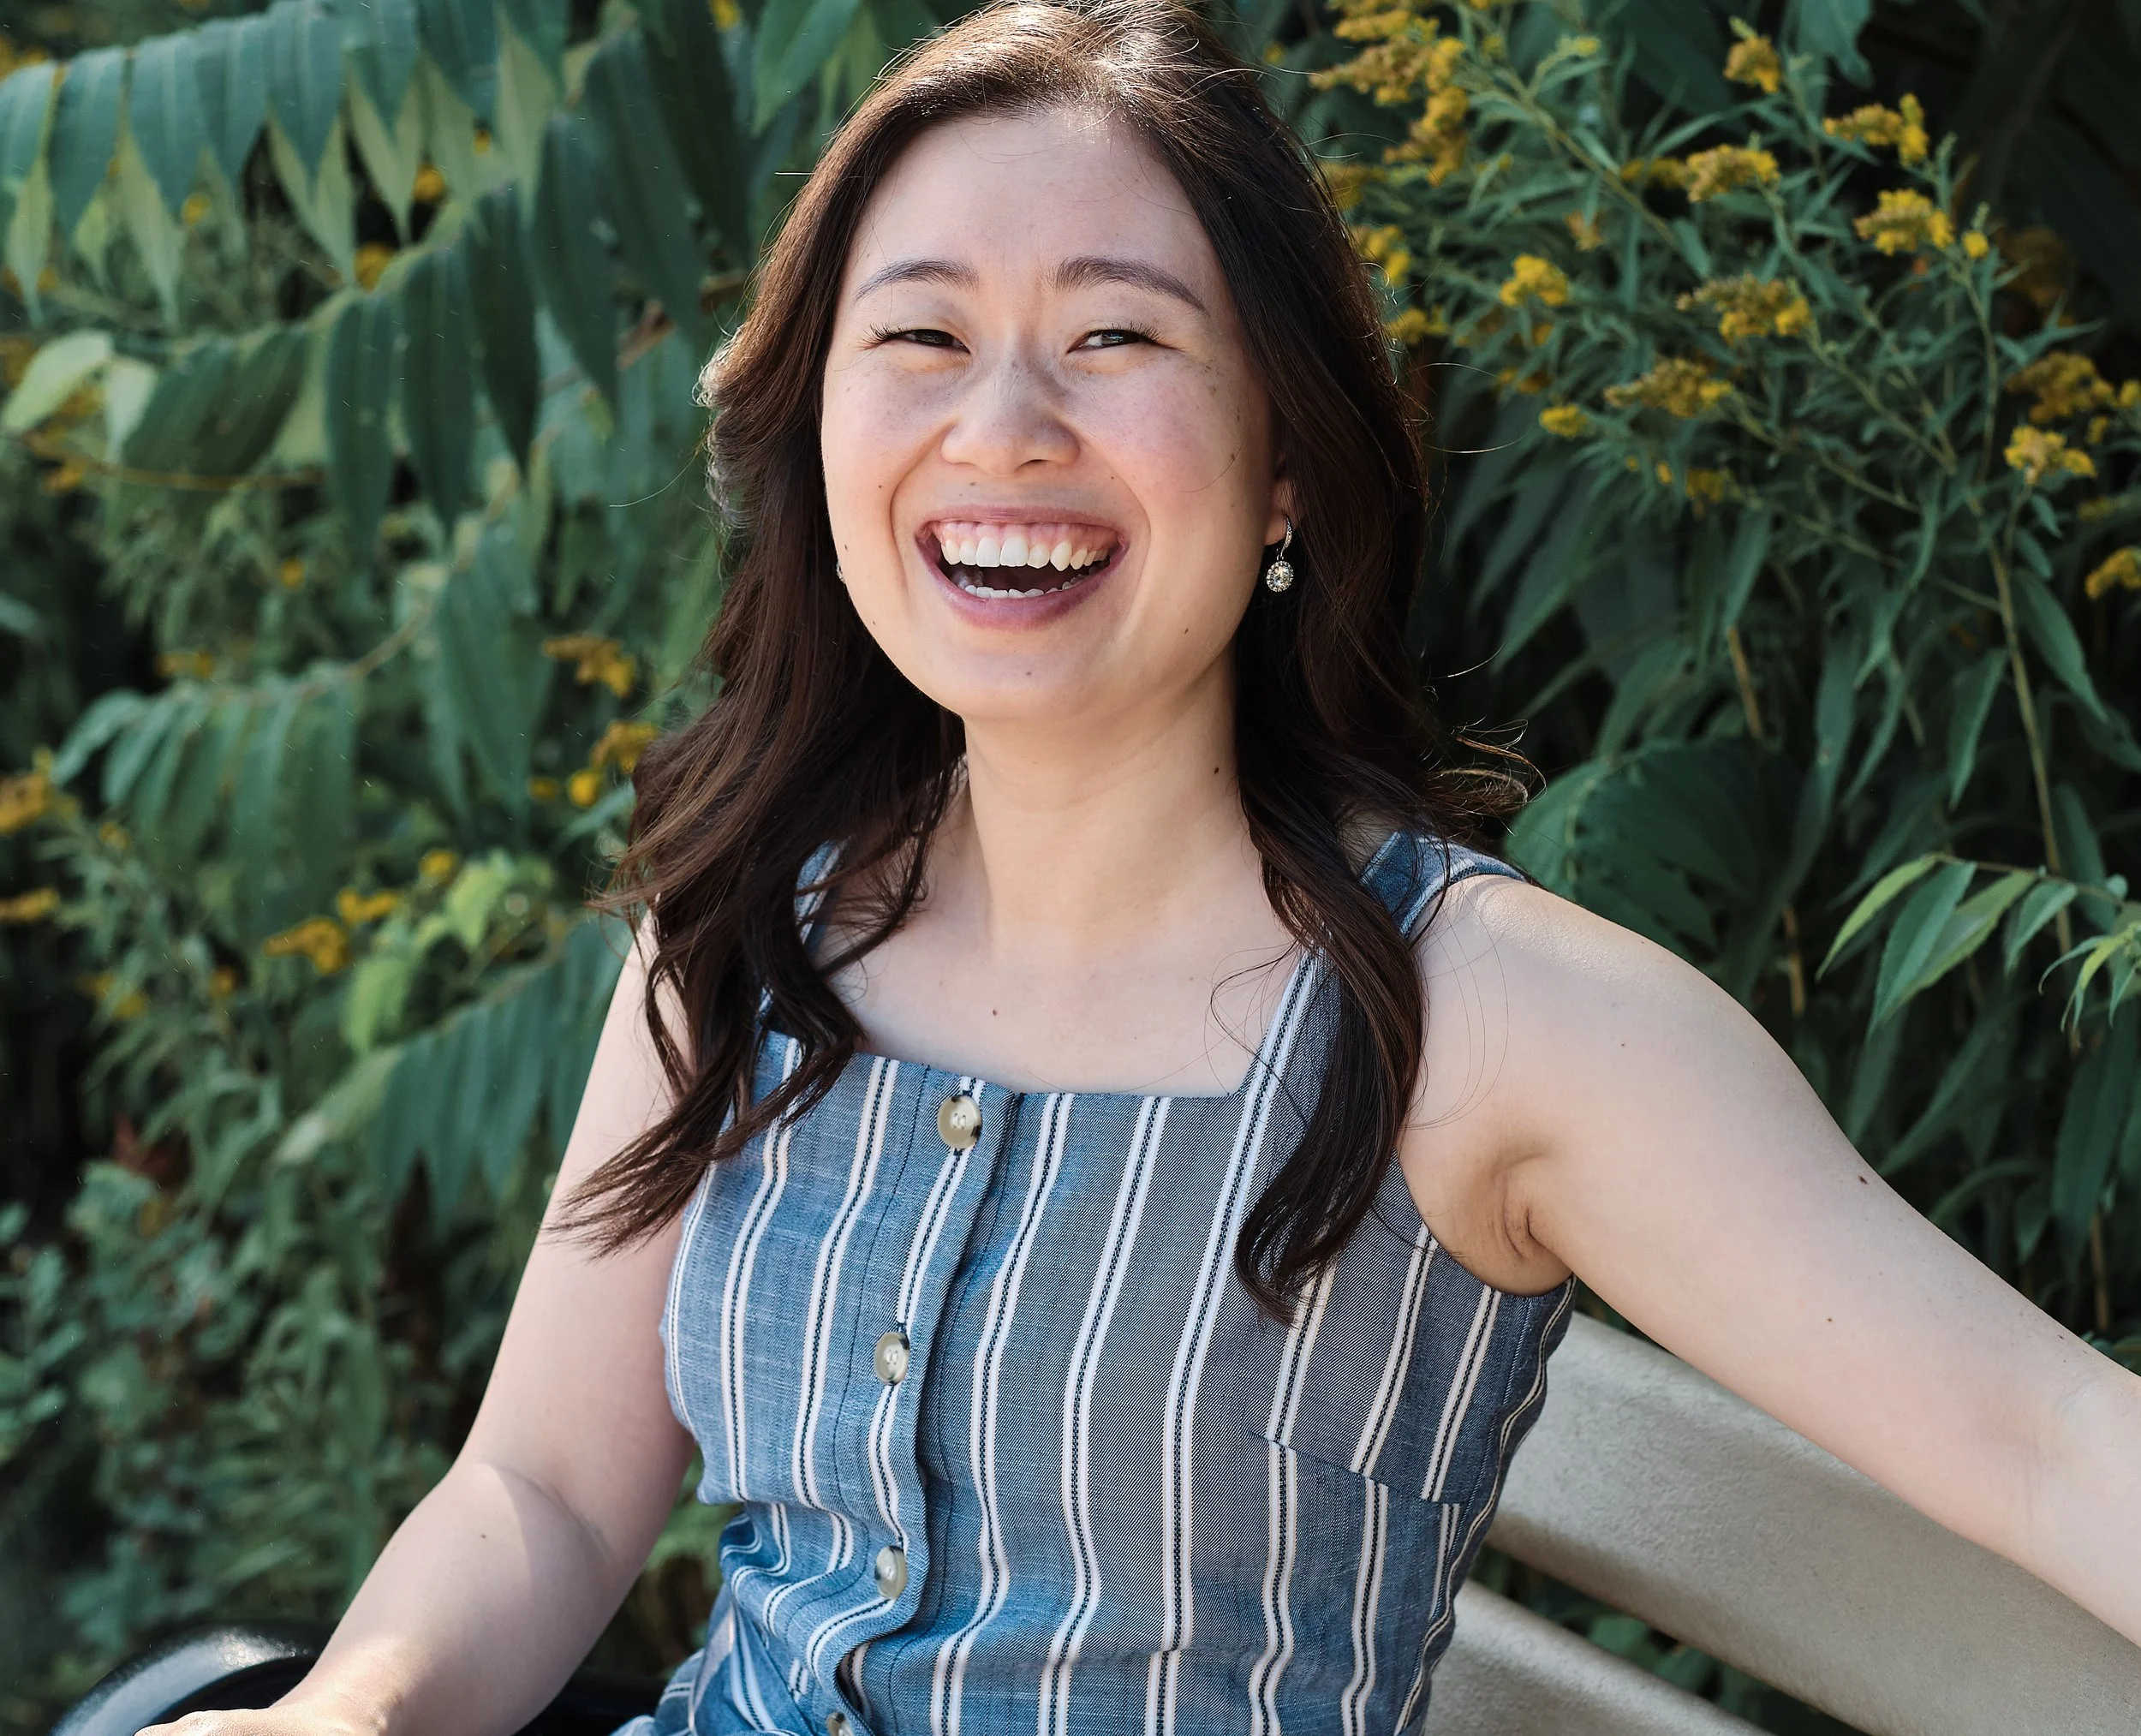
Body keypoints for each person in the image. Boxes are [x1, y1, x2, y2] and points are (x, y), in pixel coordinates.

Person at [144, 2, 2141, 1733]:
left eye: (1113, 336)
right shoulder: (743, 921)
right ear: (814, 430)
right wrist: (349, 1705)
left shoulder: (1489, 1023)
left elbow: (2042, 1435)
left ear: (1285, 462)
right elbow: (549, 1497)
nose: (1001, 424)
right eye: (918, 334)